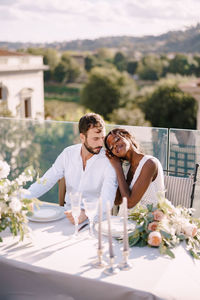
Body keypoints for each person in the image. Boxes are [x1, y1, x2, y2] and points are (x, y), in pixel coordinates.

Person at [28, 113, 118, 224]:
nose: (100, 143)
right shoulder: (68, 154)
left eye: (102, 138)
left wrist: (85, 213)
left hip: (96, 221)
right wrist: (24, 197)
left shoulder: (109, 161)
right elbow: (47, 180)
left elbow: (107, 200)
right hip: (67, 216)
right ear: (82, 137)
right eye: (95, 138)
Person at [104, 128, 165, 212]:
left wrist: (117, 167)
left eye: (116, 139)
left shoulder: (150, 163)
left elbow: (129, 203)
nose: (115, 146)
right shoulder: (125, 167)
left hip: (145, 221)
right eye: (111, 147)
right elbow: (117, 200)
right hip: (124, 219)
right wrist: (115, 167)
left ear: (127, 136)